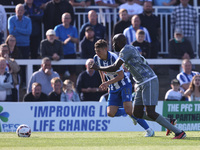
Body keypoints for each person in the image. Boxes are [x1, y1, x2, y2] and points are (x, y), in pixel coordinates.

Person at [91, 33, 186, 139]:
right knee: (136, 113)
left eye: (114, 42)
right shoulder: (126, 50)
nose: (113, 45)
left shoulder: (125, 50)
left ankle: (179, 132)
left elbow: (115, 67)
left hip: (148, 80)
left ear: (119, 42)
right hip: (140, 82)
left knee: (150, 112)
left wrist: (98, 68)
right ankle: (169, 122)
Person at [93, 39, 154, 137]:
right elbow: (99, 69)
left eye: (99, 51)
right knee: (110, 113)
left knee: (129, 110)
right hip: (113, 87)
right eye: (96, 51)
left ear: (105, 49)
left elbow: (121, 76)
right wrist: (104, 81)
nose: (97, 53)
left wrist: (107, 83)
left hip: (124, 85)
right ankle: (131, 113)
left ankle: (149, 130)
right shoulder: (96, 58)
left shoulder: (113, 58)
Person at [54, 13, 78, 83]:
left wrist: (71, 39)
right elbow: (55, 40)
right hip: (61, 53)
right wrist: (63, 42)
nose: (66, 20)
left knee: (73, 73)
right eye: (65, 18)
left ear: (70, 20)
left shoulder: (73, 28)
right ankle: (59, 89)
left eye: (68, 18)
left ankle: (73, 89)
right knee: (60, 73)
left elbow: (76, 40)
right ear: (62, 19)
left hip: (71, 53)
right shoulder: (57, 28)